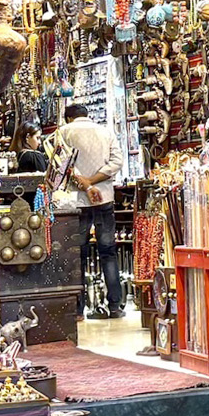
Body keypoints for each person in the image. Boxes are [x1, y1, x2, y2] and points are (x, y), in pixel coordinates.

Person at [56, 104, 122, 318]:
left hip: (77, 201)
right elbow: (117, 161)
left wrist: (85, 184)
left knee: (78, 255)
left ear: (68, 118)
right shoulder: (105, 132)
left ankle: (78, 309)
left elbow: (61, 164)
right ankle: (114, 306)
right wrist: (94, 182)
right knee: (108, 252)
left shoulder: (64, 132)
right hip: (104, 197)